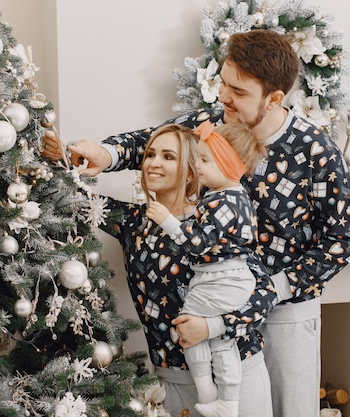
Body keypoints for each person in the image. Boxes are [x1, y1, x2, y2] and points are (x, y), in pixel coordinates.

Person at [43, 29, 350, 417]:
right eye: (224, 84)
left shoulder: (316, 150)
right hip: (213, 303)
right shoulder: (211, 124)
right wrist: (106, 153)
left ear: (275, 98)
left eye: (239, 92)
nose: (224, 97)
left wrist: (276, 289)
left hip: (283, 311)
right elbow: (152, 142)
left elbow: (346, 239)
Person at [96, 123, 274, 417]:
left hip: (236, 378)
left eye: (168, 156)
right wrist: (65, 157)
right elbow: (75, 200)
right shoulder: (133, 222)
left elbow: (264, 295)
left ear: (192, 170)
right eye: (150, 154)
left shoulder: (217, 220)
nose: (153, 162)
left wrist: (212, 327)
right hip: (172, 379)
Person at [145, 120, 267, 417]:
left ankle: (217, 395)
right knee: (202, 332)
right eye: (150, 154)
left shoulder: (226, 202)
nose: (197, 166)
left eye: (204, 160)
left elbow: (198, 243)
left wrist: (167, 221)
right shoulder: (216, 200)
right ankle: (213, 395)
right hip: (171, 371)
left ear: (228, 164)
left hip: (224, 283)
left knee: (203, 330)